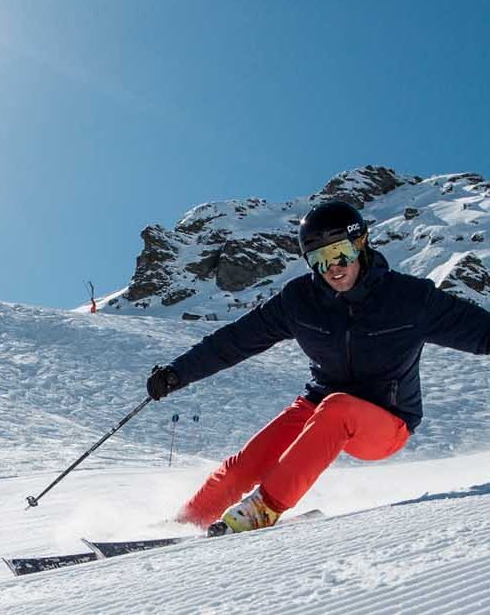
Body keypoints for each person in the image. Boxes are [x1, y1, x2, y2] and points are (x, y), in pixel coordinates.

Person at [146, 200, 490, 534]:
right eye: (319, 260)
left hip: (388, 421)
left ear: (361, 244)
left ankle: (262, 509)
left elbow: (481, 332)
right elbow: (235, 340)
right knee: (246, 465)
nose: (333, 268)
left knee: (336, 409)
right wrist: (178, 373)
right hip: (319, 404)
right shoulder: (299, 302)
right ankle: (187, 523)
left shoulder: (411, 299)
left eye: (340, 253)